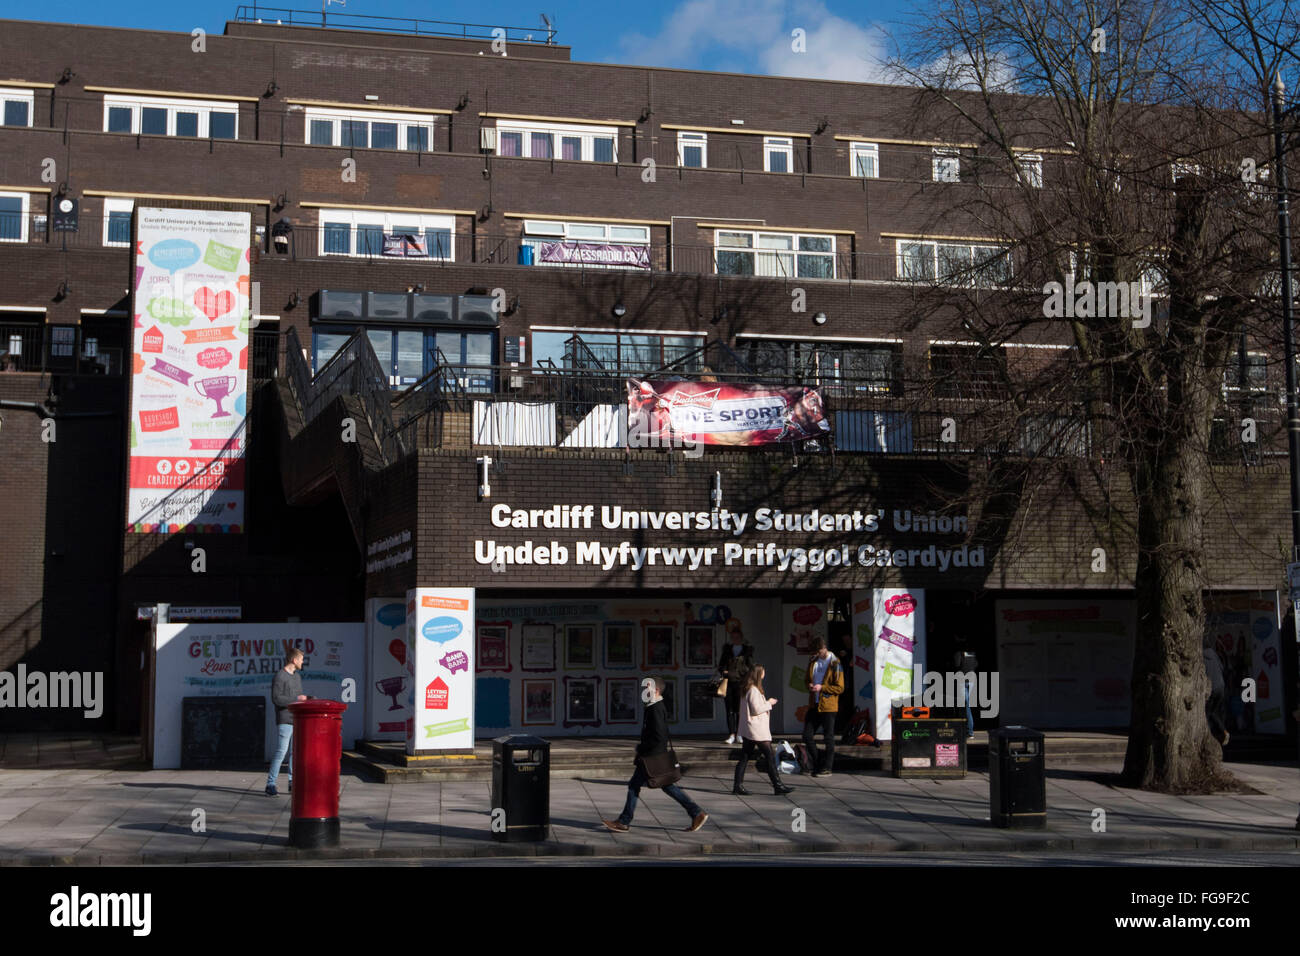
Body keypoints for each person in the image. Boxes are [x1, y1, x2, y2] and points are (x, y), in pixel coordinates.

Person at [603, 677, 708, 833]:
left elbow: (659, 736)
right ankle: (696, 813)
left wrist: (643, 750)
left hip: (652, 757)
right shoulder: (653, 706)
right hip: (651, 756)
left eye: (647, 688)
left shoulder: (656, 708)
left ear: (656, 690)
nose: (643, 691)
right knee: (664, 786)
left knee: (636, 786)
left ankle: (624, 821)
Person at [732, 665, 795, 796]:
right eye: (763, 672)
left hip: (750, 729)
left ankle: (737, 786)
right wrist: (769, 703)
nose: (764, 674)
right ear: (759, 674)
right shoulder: (753, 690)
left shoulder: (747, 689)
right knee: (770, 757)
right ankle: (778, 786)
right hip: (756, 729)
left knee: (745, 757)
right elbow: (756, 709)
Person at [266, 648, 308, 796]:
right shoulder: (280, 676)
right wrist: (297, 699)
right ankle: (270, 784)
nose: (303, 662)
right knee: (281, 752)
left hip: (297, 719)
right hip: (285, 719)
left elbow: (298, 697)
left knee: (295, 752)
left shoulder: (297, 677)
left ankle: (292, 782)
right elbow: (276, 699)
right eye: (301, 659)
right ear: (294, 660)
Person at [803, 637, 844, 777]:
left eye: (818, 652)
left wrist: (822, 687)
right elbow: (807, 679)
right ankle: (818, 762)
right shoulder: (813, 661)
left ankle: (827, 767)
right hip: (814, 703)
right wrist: (809, 685)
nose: (816, 654)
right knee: (807, 735)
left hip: (828, 706)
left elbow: (840, 688)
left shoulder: (835, 663)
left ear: (823, 648)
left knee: (828, 737)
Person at [717, 619, 753, 744]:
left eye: (737, 637)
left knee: (740, 709)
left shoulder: (747, 650)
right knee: (729, 710)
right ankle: (731, 734)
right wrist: (724, 671)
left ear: (741, 637)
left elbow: (750, 667)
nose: (735, 639)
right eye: (733, 637)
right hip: (728, 683)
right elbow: (720, 665)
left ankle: (739, 733)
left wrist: (744, 676)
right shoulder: (727, 649)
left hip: (740, 683)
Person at [1203, 635, 1228, 747]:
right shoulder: (1214, 654)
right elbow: (1222, 668)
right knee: (1215, 712)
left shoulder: (1201, 657)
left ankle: (1208, 737)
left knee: (1207, 713)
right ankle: (1222, 731)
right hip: (1221, 686)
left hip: (1211, 688)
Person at [952, 639, 978, 739]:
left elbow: (957, 665)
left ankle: (968, 731)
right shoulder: (972, 653)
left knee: (964, 706)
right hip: (971, 680)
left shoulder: (958, 653)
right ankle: (968, 730)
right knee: (967, 705)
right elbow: (976, 664)